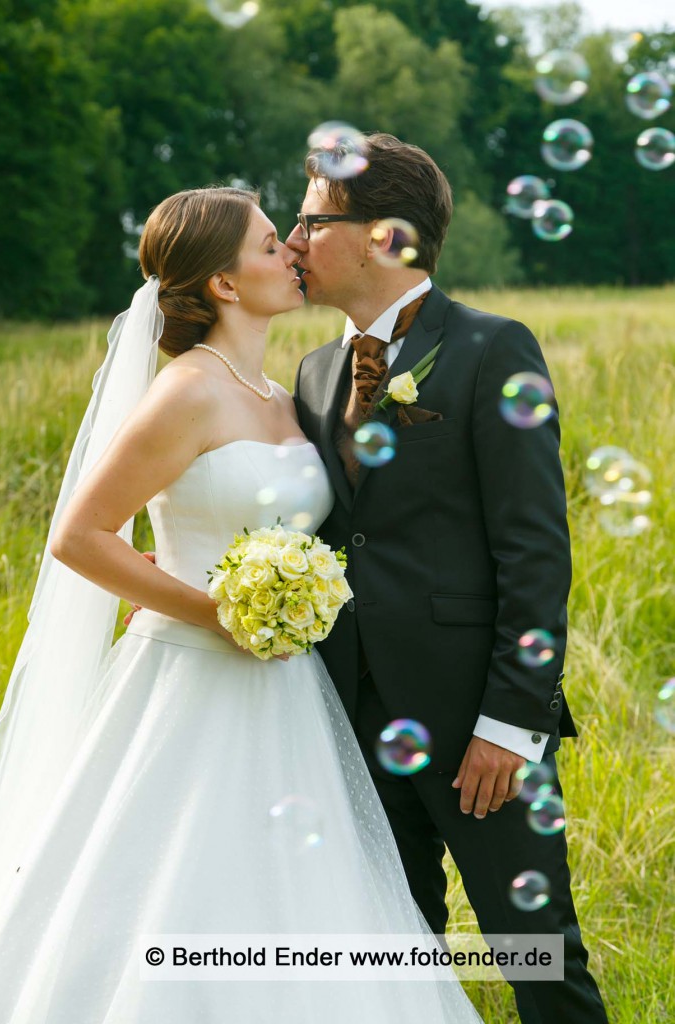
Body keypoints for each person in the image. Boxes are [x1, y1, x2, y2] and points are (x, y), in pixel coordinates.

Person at [0, 187, 482, 1023]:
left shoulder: (283, 397)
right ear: (223, 284)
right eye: (267, 246)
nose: (291, 252)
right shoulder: (186, 391)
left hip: (289, 689)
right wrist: (215, 612)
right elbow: (80, 537)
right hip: (190, 680)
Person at [288, 133, 609, 1024]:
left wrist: (511, 725)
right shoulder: (313, 374)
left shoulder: (490, 348)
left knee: (539, 958)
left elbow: (535, 550)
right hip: (351, 720)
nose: (292, 237)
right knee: (393, 964)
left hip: (479, 726)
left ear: (385, 237)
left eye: (313, 218)